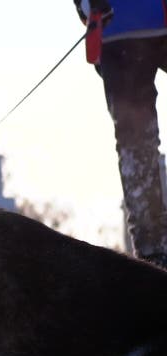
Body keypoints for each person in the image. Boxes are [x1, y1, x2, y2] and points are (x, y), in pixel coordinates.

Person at [73, 0, 167, 267]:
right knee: (136, 140)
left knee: (136, 141)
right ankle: (154, 255)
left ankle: (153, 252)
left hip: (119, 25)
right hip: (120, 23)